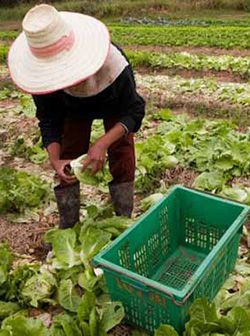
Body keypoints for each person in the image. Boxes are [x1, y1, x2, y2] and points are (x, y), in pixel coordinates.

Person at [8, 4, 145, 229]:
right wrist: (55, 161)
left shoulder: (113, 64)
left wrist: (102, 144)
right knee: (67, 153)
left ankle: (123, 217)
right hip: (72, 109)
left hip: (113, 103)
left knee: (121, 149)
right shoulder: (41, 77)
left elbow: (134, 111)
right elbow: (49, 119)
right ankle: (68, 225)